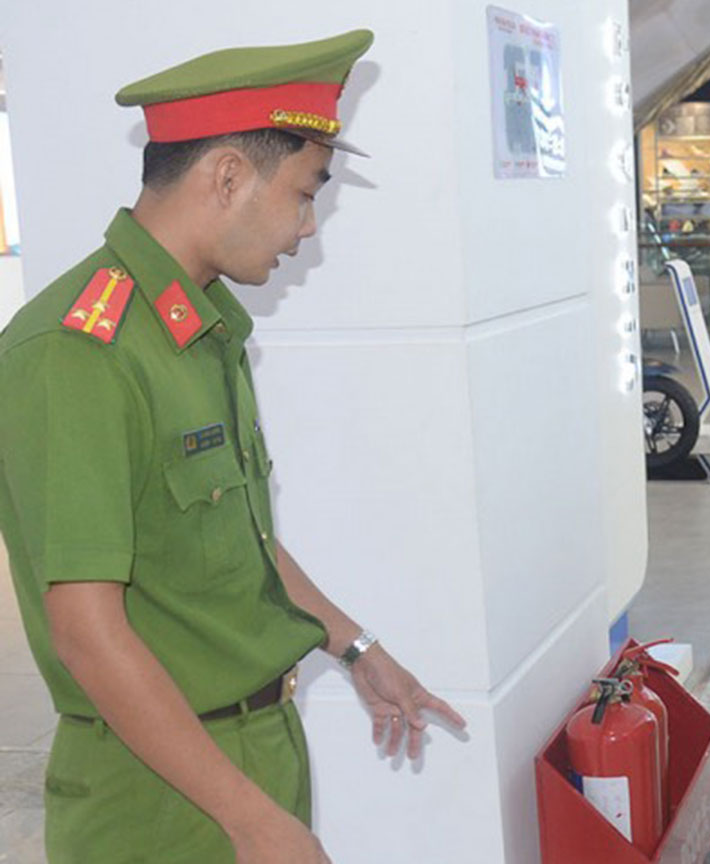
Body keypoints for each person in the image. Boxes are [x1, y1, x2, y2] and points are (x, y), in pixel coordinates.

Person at [0, 31, 465, 864]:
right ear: (226, 175)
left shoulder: (197, 329)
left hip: (252, 751)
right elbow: (86, 632)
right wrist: (249, 821)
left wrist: (358, 649)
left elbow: (232, 540)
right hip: (160, 797)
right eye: (302, 193)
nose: (306, 228)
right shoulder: (80, 352)